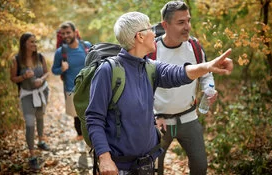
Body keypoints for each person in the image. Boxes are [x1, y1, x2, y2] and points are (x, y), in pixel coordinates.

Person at [85, 11, 233, 175]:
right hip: (119, 167)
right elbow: (94, 118)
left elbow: (179, 73)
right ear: (140, 37)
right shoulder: (108, 71)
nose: (154, 33)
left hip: (147, 164)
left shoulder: (149, 67)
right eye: (150, 28)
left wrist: (208, 66)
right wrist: (104, 158)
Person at [153, 1, 217, 175]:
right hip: (159, 123)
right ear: (165, 25)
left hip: (189, 118)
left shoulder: (194, 47)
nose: (187, 27)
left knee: (200, 167)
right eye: (181, 22)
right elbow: (140, 87)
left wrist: (209, 89)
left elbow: (206, 74)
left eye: (188, 21)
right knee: (152, 170)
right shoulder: (151, 50)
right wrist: (152, 115)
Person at [10, 32, 50, 170]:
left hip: (41, 92)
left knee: (40, 117)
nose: (34, 44)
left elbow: (46, 72)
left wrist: (41, 79)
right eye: (31, 42)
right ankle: (32, 155)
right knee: (29, 123)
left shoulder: (40, 57)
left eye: (35, 41)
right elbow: (13, 78)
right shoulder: (16, 60)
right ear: (24, 44)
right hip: (27, 95)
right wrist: (23, 77)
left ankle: (40, 141)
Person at [51, 21, 92, 152]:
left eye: (68, 32)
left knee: (92, 115)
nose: (66, 35)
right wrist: (61, 69)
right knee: (78, 117)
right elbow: (54, 70)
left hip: (90, 87)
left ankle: (91, 142)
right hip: (71, 89)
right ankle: (81, 139)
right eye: (63, 33)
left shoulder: (86, 47)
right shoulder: (60, 52)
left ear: (75, 32)